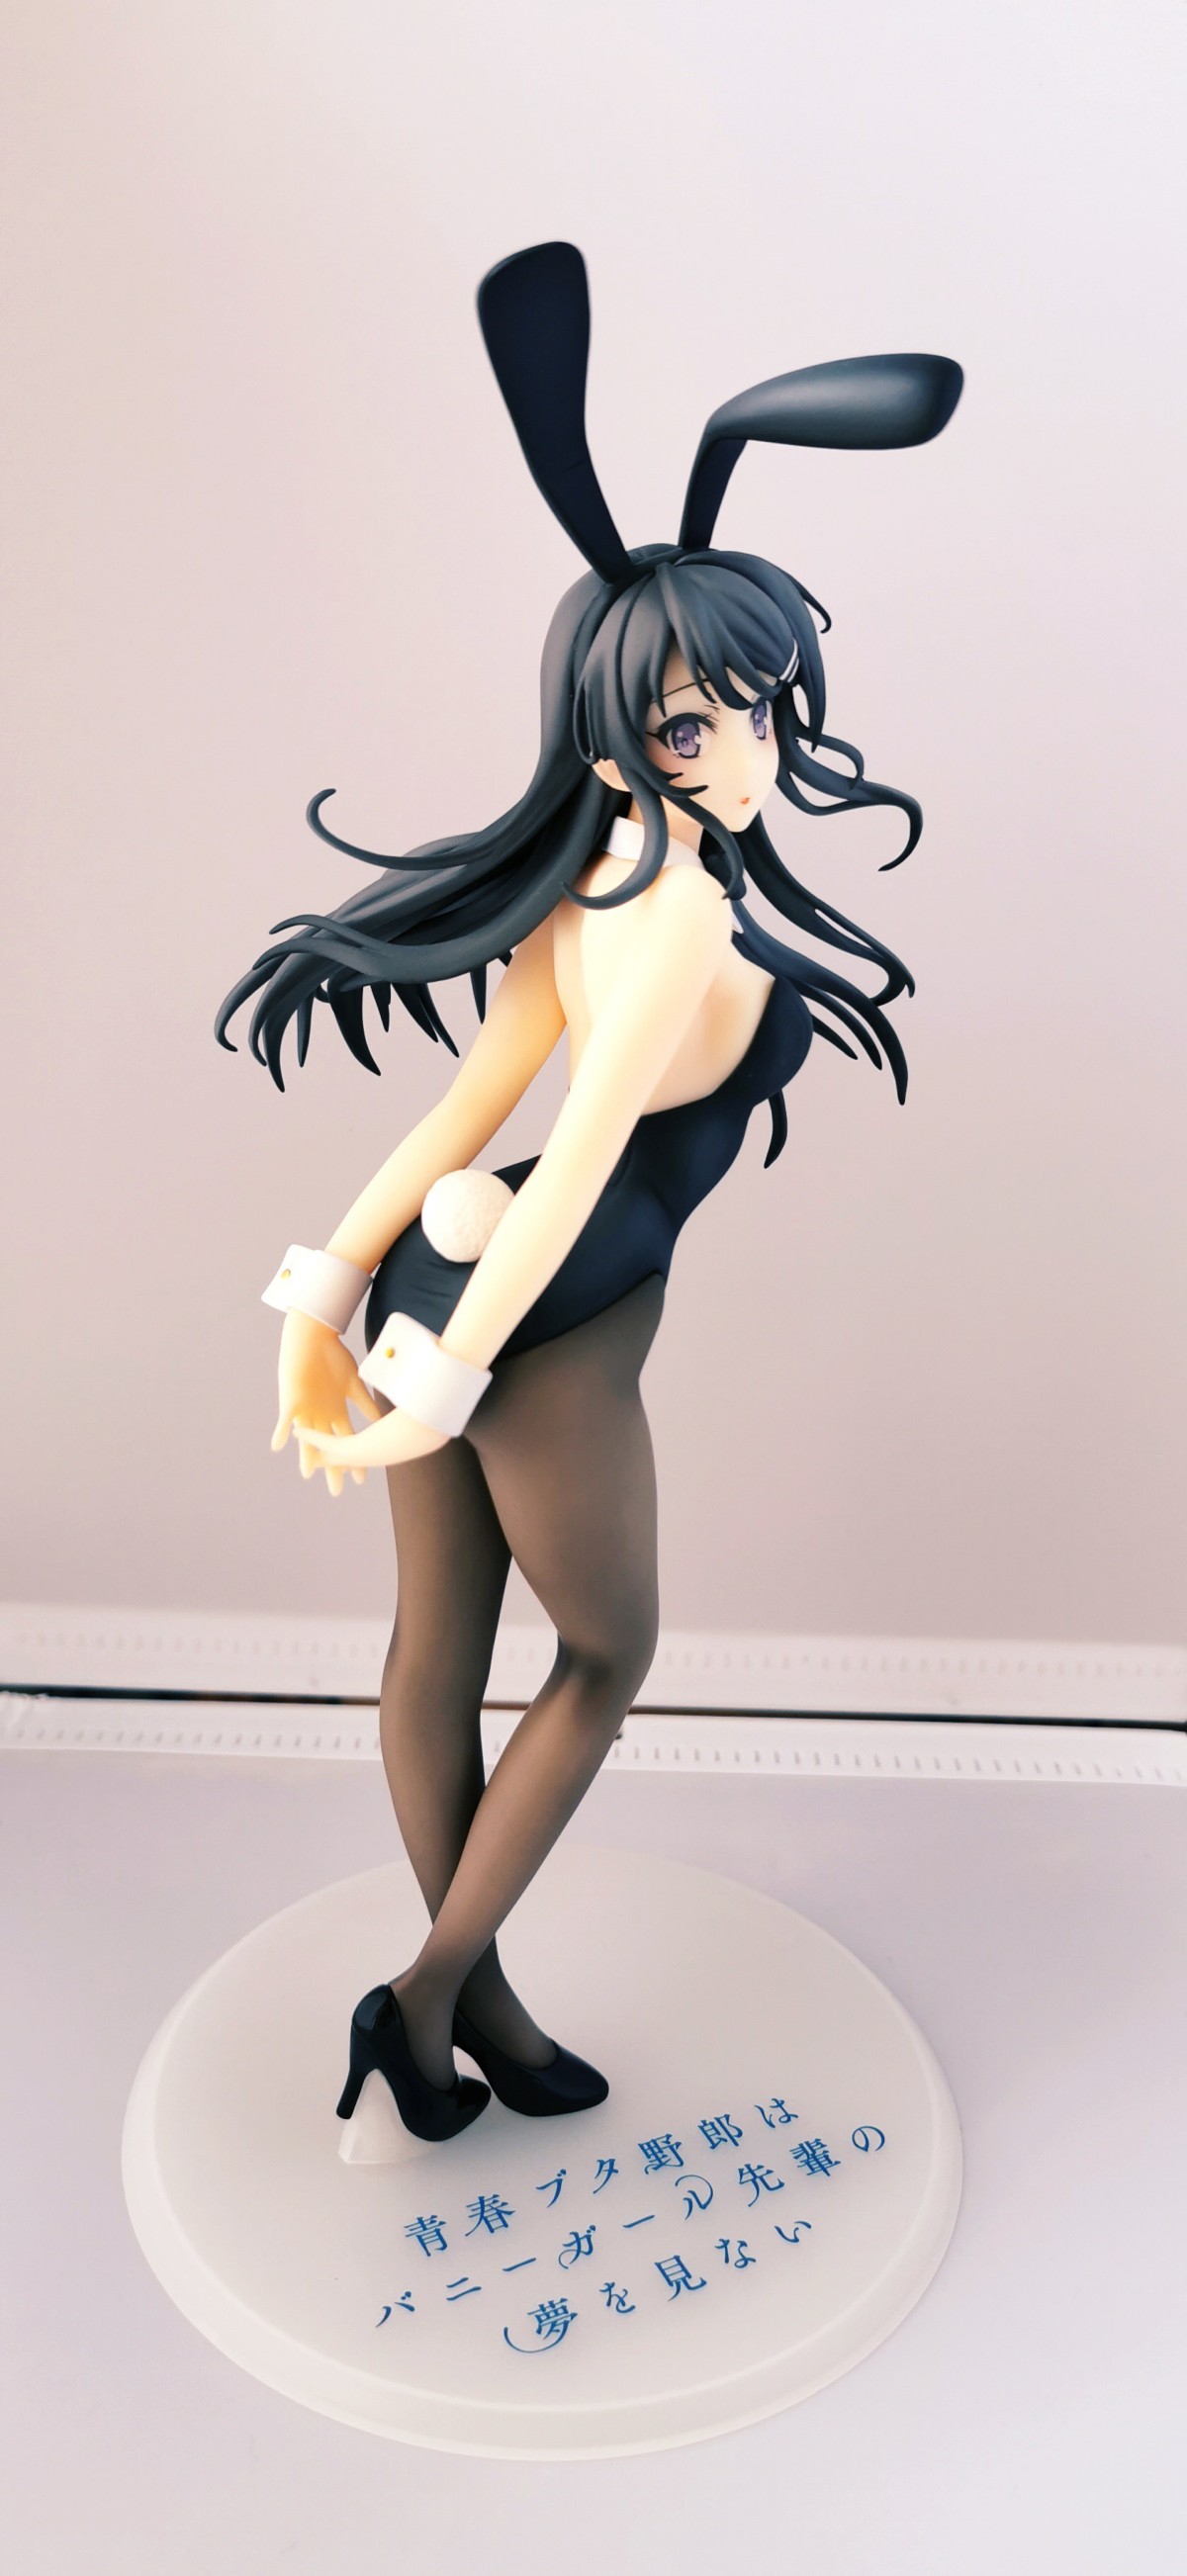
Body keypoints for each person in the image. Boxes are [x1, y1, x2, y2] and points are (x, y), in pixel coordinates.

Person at [217, 243, 961, 2142]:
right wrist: (448, 1374)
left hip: (459, 1283)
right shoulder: (685, 904)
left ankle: (469, 2017)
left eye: (759, 709)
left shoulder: (582, 885)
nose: (751, 752)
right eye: (702, 722)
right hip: (546, 1321)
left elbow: (465, 1128)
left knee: (433, 1660)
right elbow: (565, 1175)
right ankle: (425, 1993)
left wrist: (337, 1294)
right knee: (607, 1653)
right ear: (623, 730)